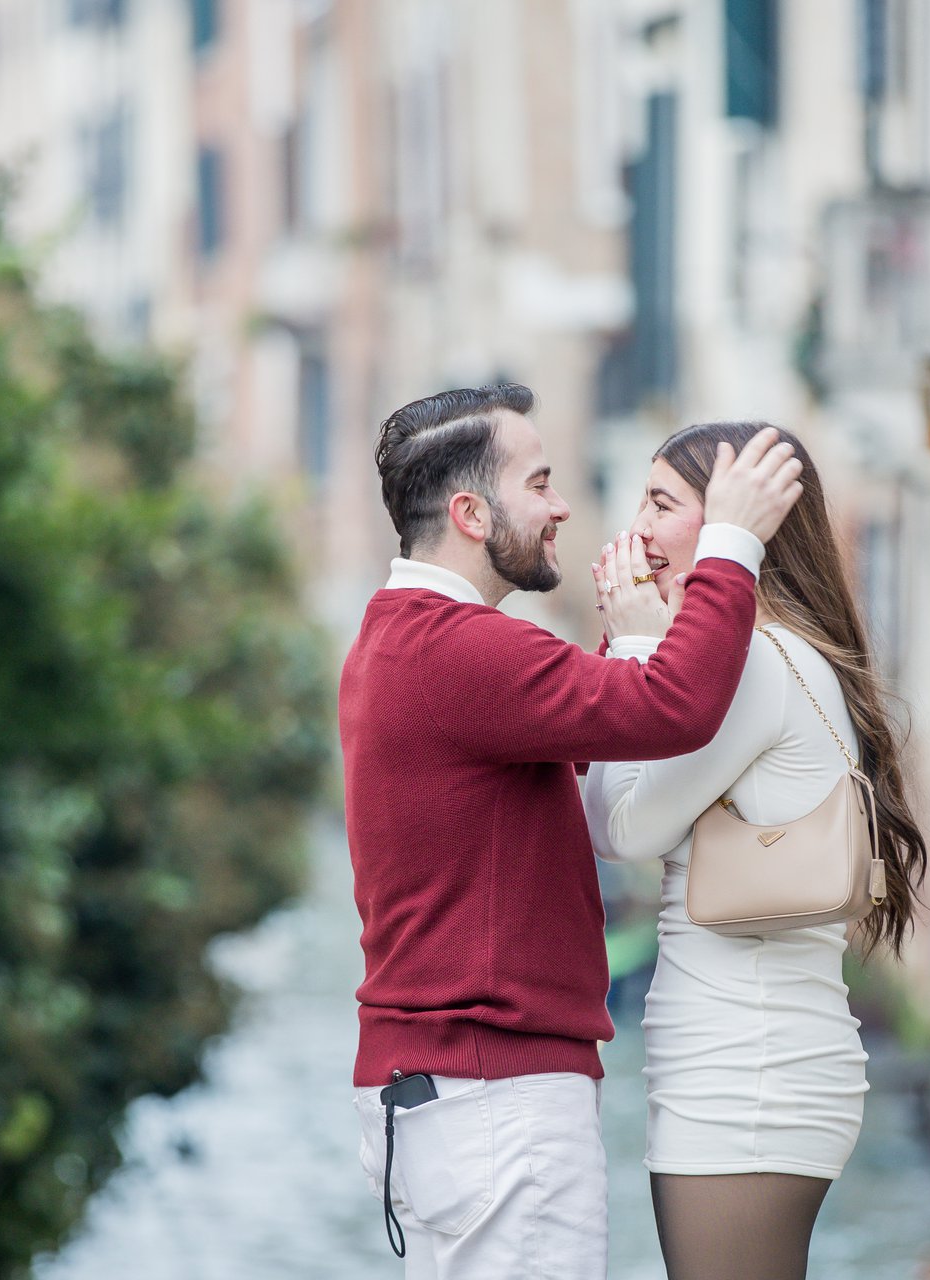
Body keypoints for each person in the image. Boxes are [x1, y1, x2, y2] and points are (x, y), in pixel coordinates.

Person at [340, 385, 804, 1279]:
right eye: (540, 482)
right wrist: (732, 544)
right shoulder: (462, 649)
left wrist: (626, 642)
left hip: (441, 1097)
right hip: (495, 1099)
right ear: (472, 514)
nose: (562, 507)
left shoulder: (402, 640)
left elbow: (575, 730)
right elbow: (675, 707)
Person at [584, 421, 930, 1280]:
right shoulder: (783, 657)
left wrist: (634, 647)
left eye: (662, 505)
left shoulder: (758, 665)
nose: (637, 530)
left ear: (732, 527)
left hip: (748, 1073)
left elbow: (620, 828)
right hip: (751, 1063)